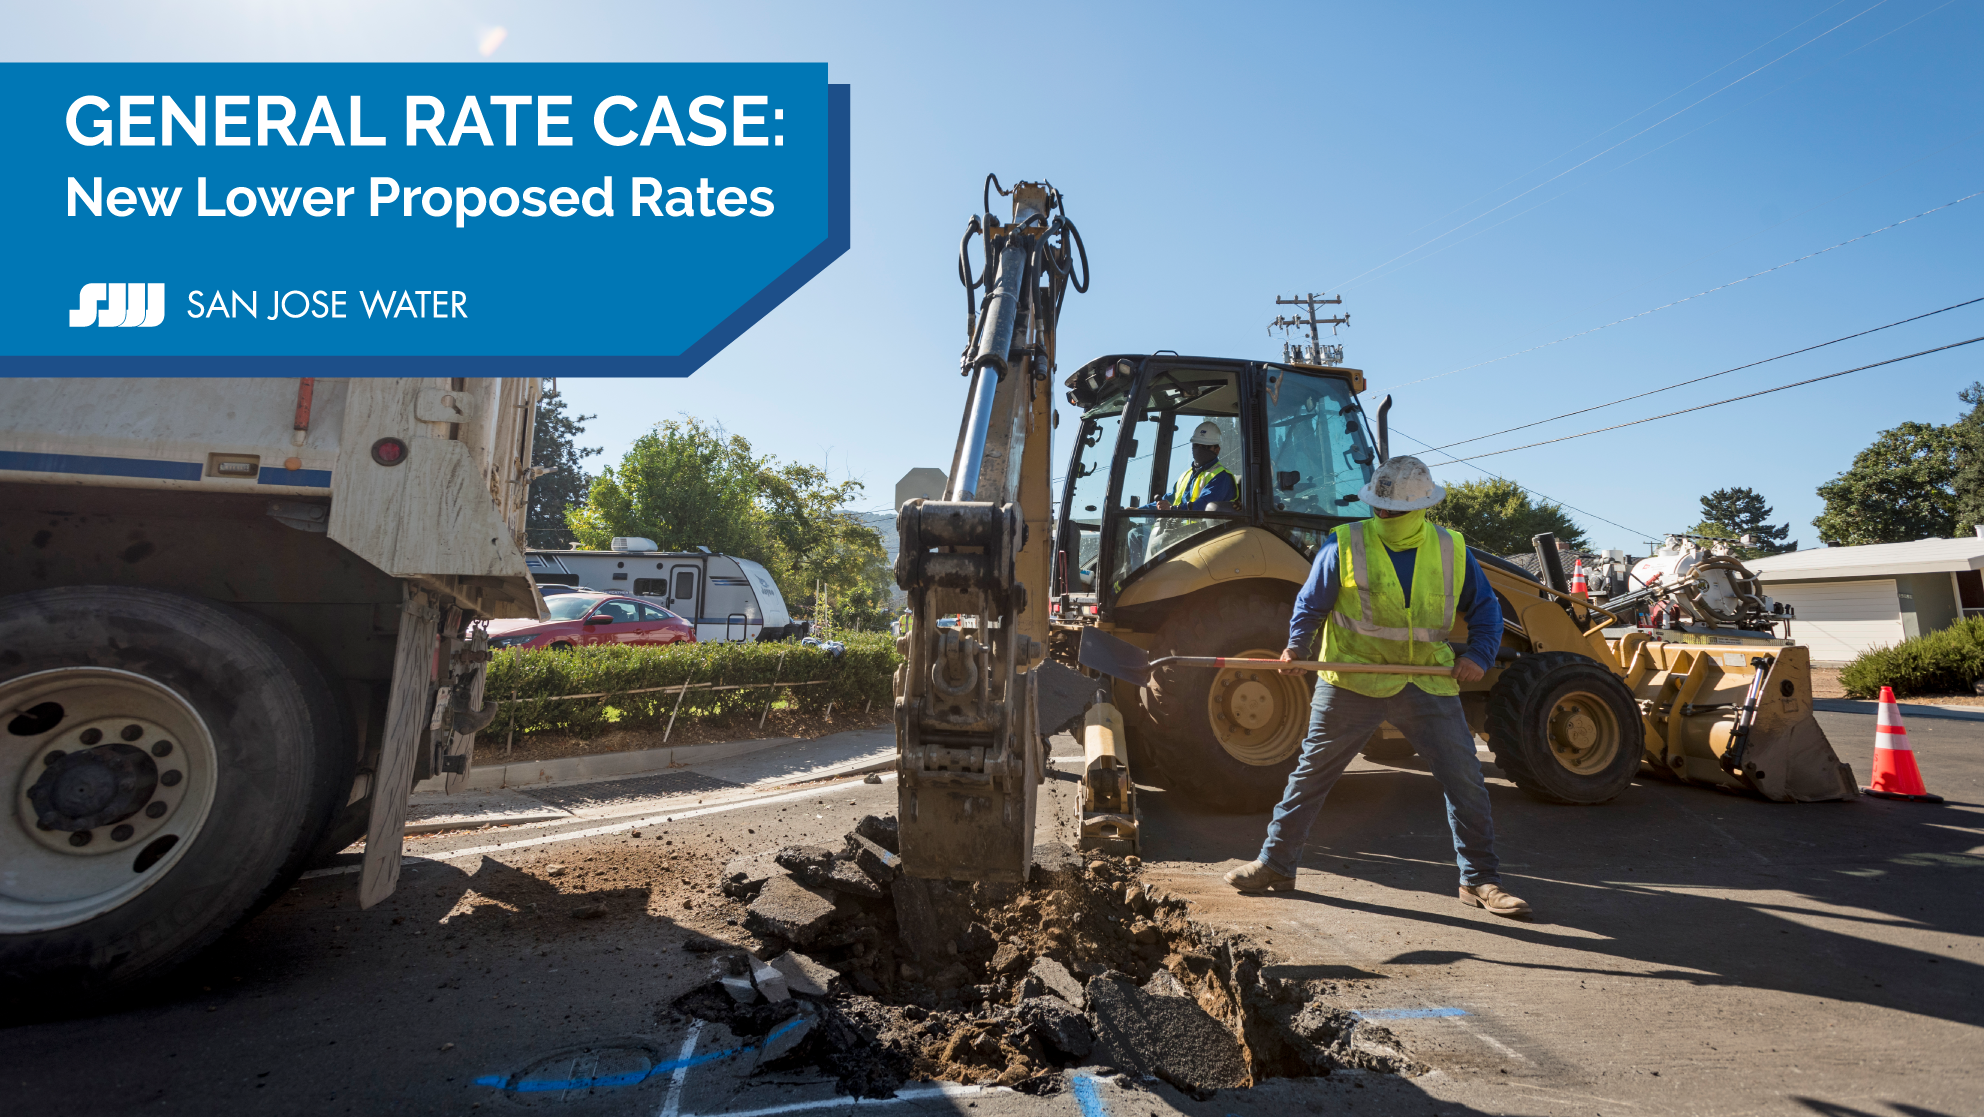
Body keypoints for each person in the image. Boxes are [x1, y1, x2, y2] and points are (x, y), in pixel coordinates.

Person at [1223, 455, 1532, 917]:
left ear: (1421, 507)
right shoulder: (1344, 545)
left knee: (1466, 782)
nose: (1382, 516)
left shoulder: (1451, 549)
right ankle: (1276, 865)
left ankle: (1480, 880)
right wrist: (1295, 647)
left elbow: (1486, 609)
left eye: (1392, 510)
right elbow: (1311, 605)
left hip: (1425, 680)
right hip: (1353, 678)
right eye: (1378, 508)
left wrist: (1479, 656)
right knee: (1311, 776)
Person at [1153, 421, 1237, 512]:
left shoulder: (1221, 477)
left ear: (1216, 450)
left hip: (1207, 526)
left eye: (1205, 447)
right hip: (1182, 526)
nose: (1199, 449)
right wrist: (1138, 510)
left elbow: (1204, 504)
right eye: (1196, 445)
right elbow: (1167, 501)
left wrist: (1173, 509)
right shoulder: (1186, 476)